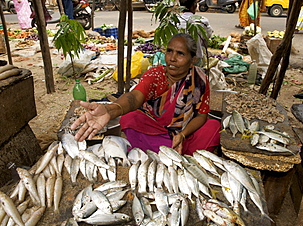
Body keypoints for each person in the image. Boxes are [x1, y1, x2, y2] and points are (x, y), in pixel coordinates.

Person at [71, 33, 221, 155]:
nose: (172, 58)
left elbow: (201, 115)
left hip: (184, 132)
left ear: (192, 59)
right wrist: (110, 110)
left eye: (180, 54)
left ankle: (167, 151)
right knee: (131, 118)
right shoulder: (155, 75)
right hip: (153, 129)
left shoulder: (199, 78)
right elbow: (134, 97)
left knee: (213, 126)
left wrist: (182, 135)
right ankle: (171, 154)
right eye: (169, 51)